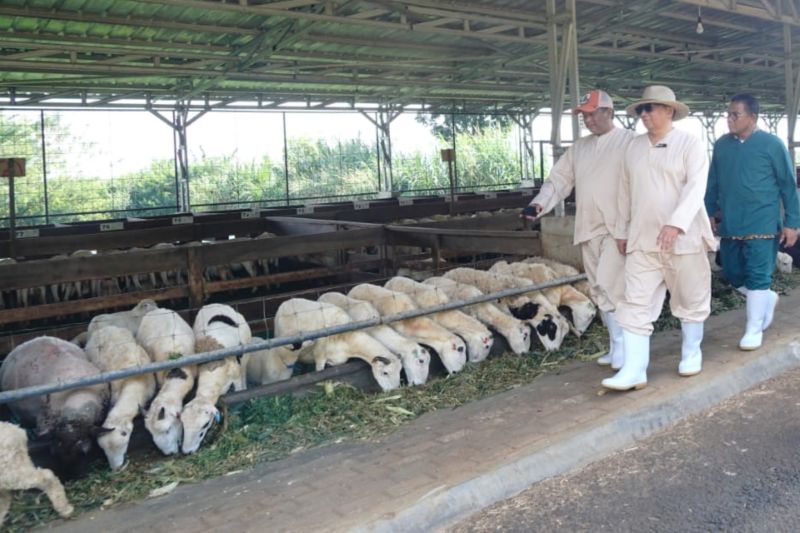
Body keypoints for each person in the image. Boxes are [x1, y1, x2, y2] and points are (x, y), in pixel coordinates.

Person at [604, 85, 715, 391]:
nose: (644, 115)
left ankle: (691, 352)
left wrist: (676, 223)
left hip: (685, 240)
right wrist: (622, 230)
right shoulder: (634, 148)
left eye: (650, 108)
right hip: (643, 239)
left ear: (669, 110)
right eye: (641, 110)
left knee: (690, 296)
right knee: (635, 301)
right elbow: (624, 191)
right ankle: (634, 369)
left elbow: (696, 187)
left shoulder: (689, 144)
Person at [525, 89, 634, 369]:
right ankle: (616, 345)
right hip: (589, 227)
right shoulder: (580, 148)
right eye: (584, 115)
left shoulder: (630, 142)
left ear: (608, 112)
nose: (587, 120)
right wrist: (538, 204)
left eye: (592, 114)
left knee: (614, 286)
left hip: (618, 228)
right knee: (598, 288)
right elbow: (559, 180)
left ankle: (625, 349)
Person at [704, 93, 800, 351]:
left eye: (736, 114)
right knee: (734, 274)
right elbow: (713, 180)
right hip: (731, 223)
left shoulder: (771, 144)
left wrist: (792, 222)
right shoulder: (722, 145)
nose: (729, 119)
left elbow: (788, 186)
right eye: (728, 114)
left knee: (758, 275)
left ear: (753, 117)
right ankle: (766, 298)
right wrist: (709, 210)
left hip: (763, 222)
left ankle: (753, 327)